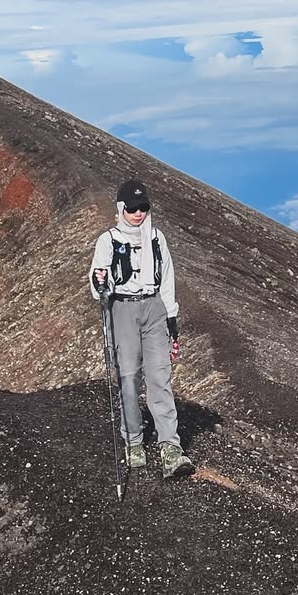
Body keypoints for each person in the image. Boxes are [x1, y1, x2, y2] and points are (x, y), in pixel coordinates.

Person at [89, 178, 195, 480]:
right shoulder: (107, 240)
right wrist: (100, 284)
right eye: (133, 208)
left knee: (160, 376)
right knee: (129, 376)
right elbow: (99, 282)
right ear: (121, 208)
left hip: (154, 308)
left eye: (143, 207)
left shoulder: (157, 238)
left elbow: (168, 278)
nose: (138, 213)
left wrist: (171, 316)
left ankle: (170, 447)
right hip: (122, 308)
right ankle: (133, 440)